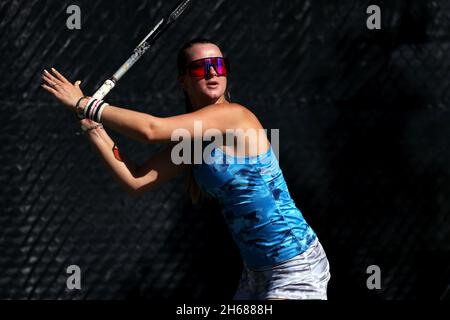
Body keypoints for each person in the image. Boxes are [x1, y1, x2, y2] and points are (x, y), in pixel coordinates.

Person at [41, 38, 331, 300]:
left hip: (296, 265)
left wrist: (84, 103)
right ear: (183, 80)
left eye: (218, 65)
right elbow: (136, 180)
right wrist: (93, 126)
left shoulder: (235, 116)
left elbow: (151, 130)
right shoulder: (194, 142)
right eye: (200, 67)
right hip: (257, 272)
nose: (212, 72)